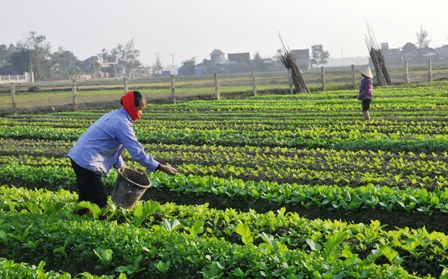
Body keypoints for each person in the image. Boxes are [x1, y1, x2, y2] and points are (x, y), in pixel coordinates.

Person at [67, 90, 179, 217]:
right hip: (88, 161)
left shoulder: (116, 115)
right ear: (132, 107)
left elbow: (110, 145)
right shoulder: (122, 123)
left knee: (86, 198)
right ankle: (102, 229)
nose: (141, 113)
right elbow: (137, 152)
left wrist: (120, 165)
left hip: (79, 157)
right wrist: (161, 167)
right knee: (100, 202)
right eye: (140, 109)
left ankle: (77, 219)